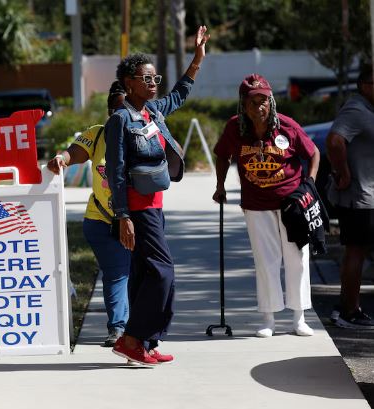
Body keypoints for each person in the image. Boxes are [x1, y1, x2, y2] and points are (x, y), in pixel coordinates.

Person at [105, 25, 210, 366]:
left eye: (155, 79)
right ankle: (132, 339)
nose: (152, 84)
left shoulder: (153, 112)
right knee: (163, 272)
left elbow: (179, 94)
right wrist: (123, 216)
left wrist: (196, 60)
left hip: (154, 206)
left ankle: (145, 344)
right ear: (128, 82)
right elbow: (117, 170)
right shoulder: (121, 120)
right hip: (136, 209)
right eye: (145, 78)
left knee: (144, 275)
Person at [213, 73, 320, 338]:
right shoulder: (235, 128)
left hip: (292, 204)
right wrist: (220, 186)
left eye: (263, 100)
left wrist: (310, 184)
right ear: (243, 104)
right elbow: (222, 156)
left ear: (271, 102)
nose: (258, 107)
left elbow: (313, 153)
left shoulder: (287, 126)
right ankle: (269, 318)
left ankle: (299, 317)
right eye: (252, 102)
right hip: (256, 205)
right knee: (266, 261)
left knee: (297, 259)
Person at [46, 82, 130, 347]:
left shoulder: (144, 135)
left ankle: (138, 327)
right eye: (116, 110)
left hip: (138, 219)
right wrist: (62, 158)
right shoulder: (98, 135)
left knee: (140, 274)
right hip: (101, 219)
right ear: (108, 112)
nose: (121, 115)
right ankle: (118, 328)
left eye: (127, 108)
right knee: (117, 272)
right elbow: (74, 153)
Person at [325, 65, 374, 329]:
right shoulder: (356, 109)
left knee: (359, 251)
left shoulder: (368, 109)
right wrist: (342, 172)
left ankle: (345, 305)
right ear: (365, 85)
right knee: (356, 252)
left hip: (367, 196)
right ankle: (349, 312)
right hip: (359, 196)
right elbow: (334, 141)